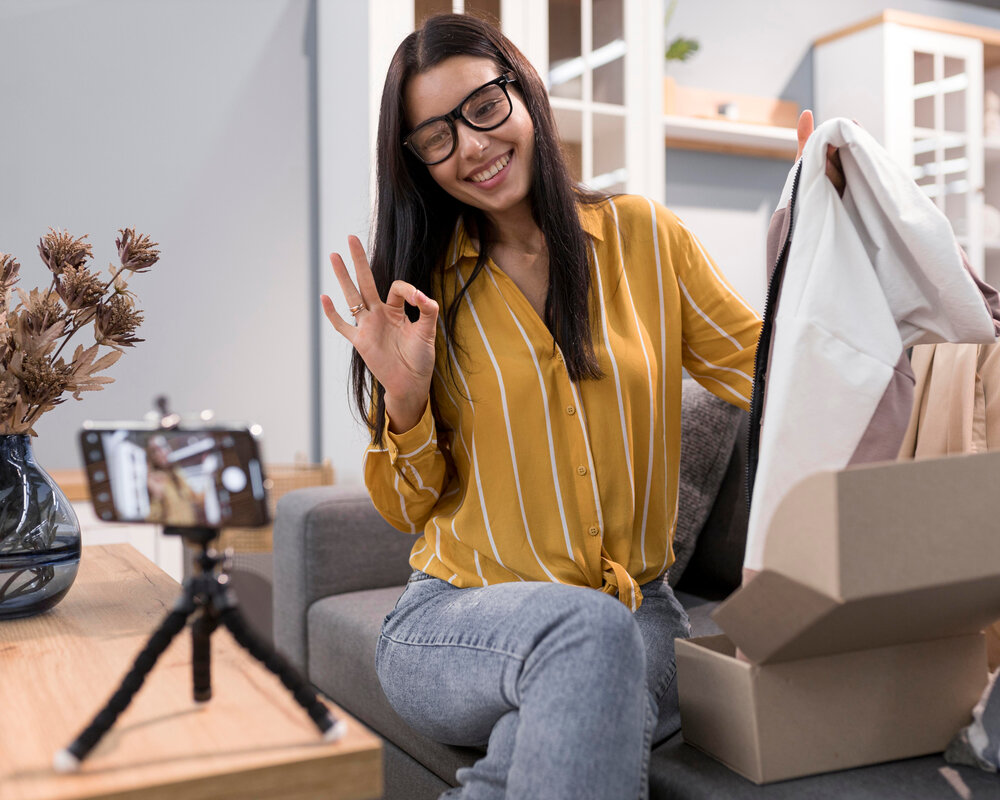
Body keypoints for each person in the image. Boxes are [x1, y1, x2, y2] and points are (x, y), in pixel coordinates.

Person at [320, 13, 844, 799]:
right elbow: (408, 509)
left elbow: (781, 375)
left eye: (483, 108)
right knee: (589, 632)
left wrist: (820, 247)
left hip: (639, 618)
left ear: (524, 94)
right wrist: (406, 400)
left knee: (586, 659)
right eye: (435, 137)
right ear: (417, 161)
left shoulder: (646, 241)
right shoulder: (421, 294)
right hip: (454, 622)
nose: (470, 146)